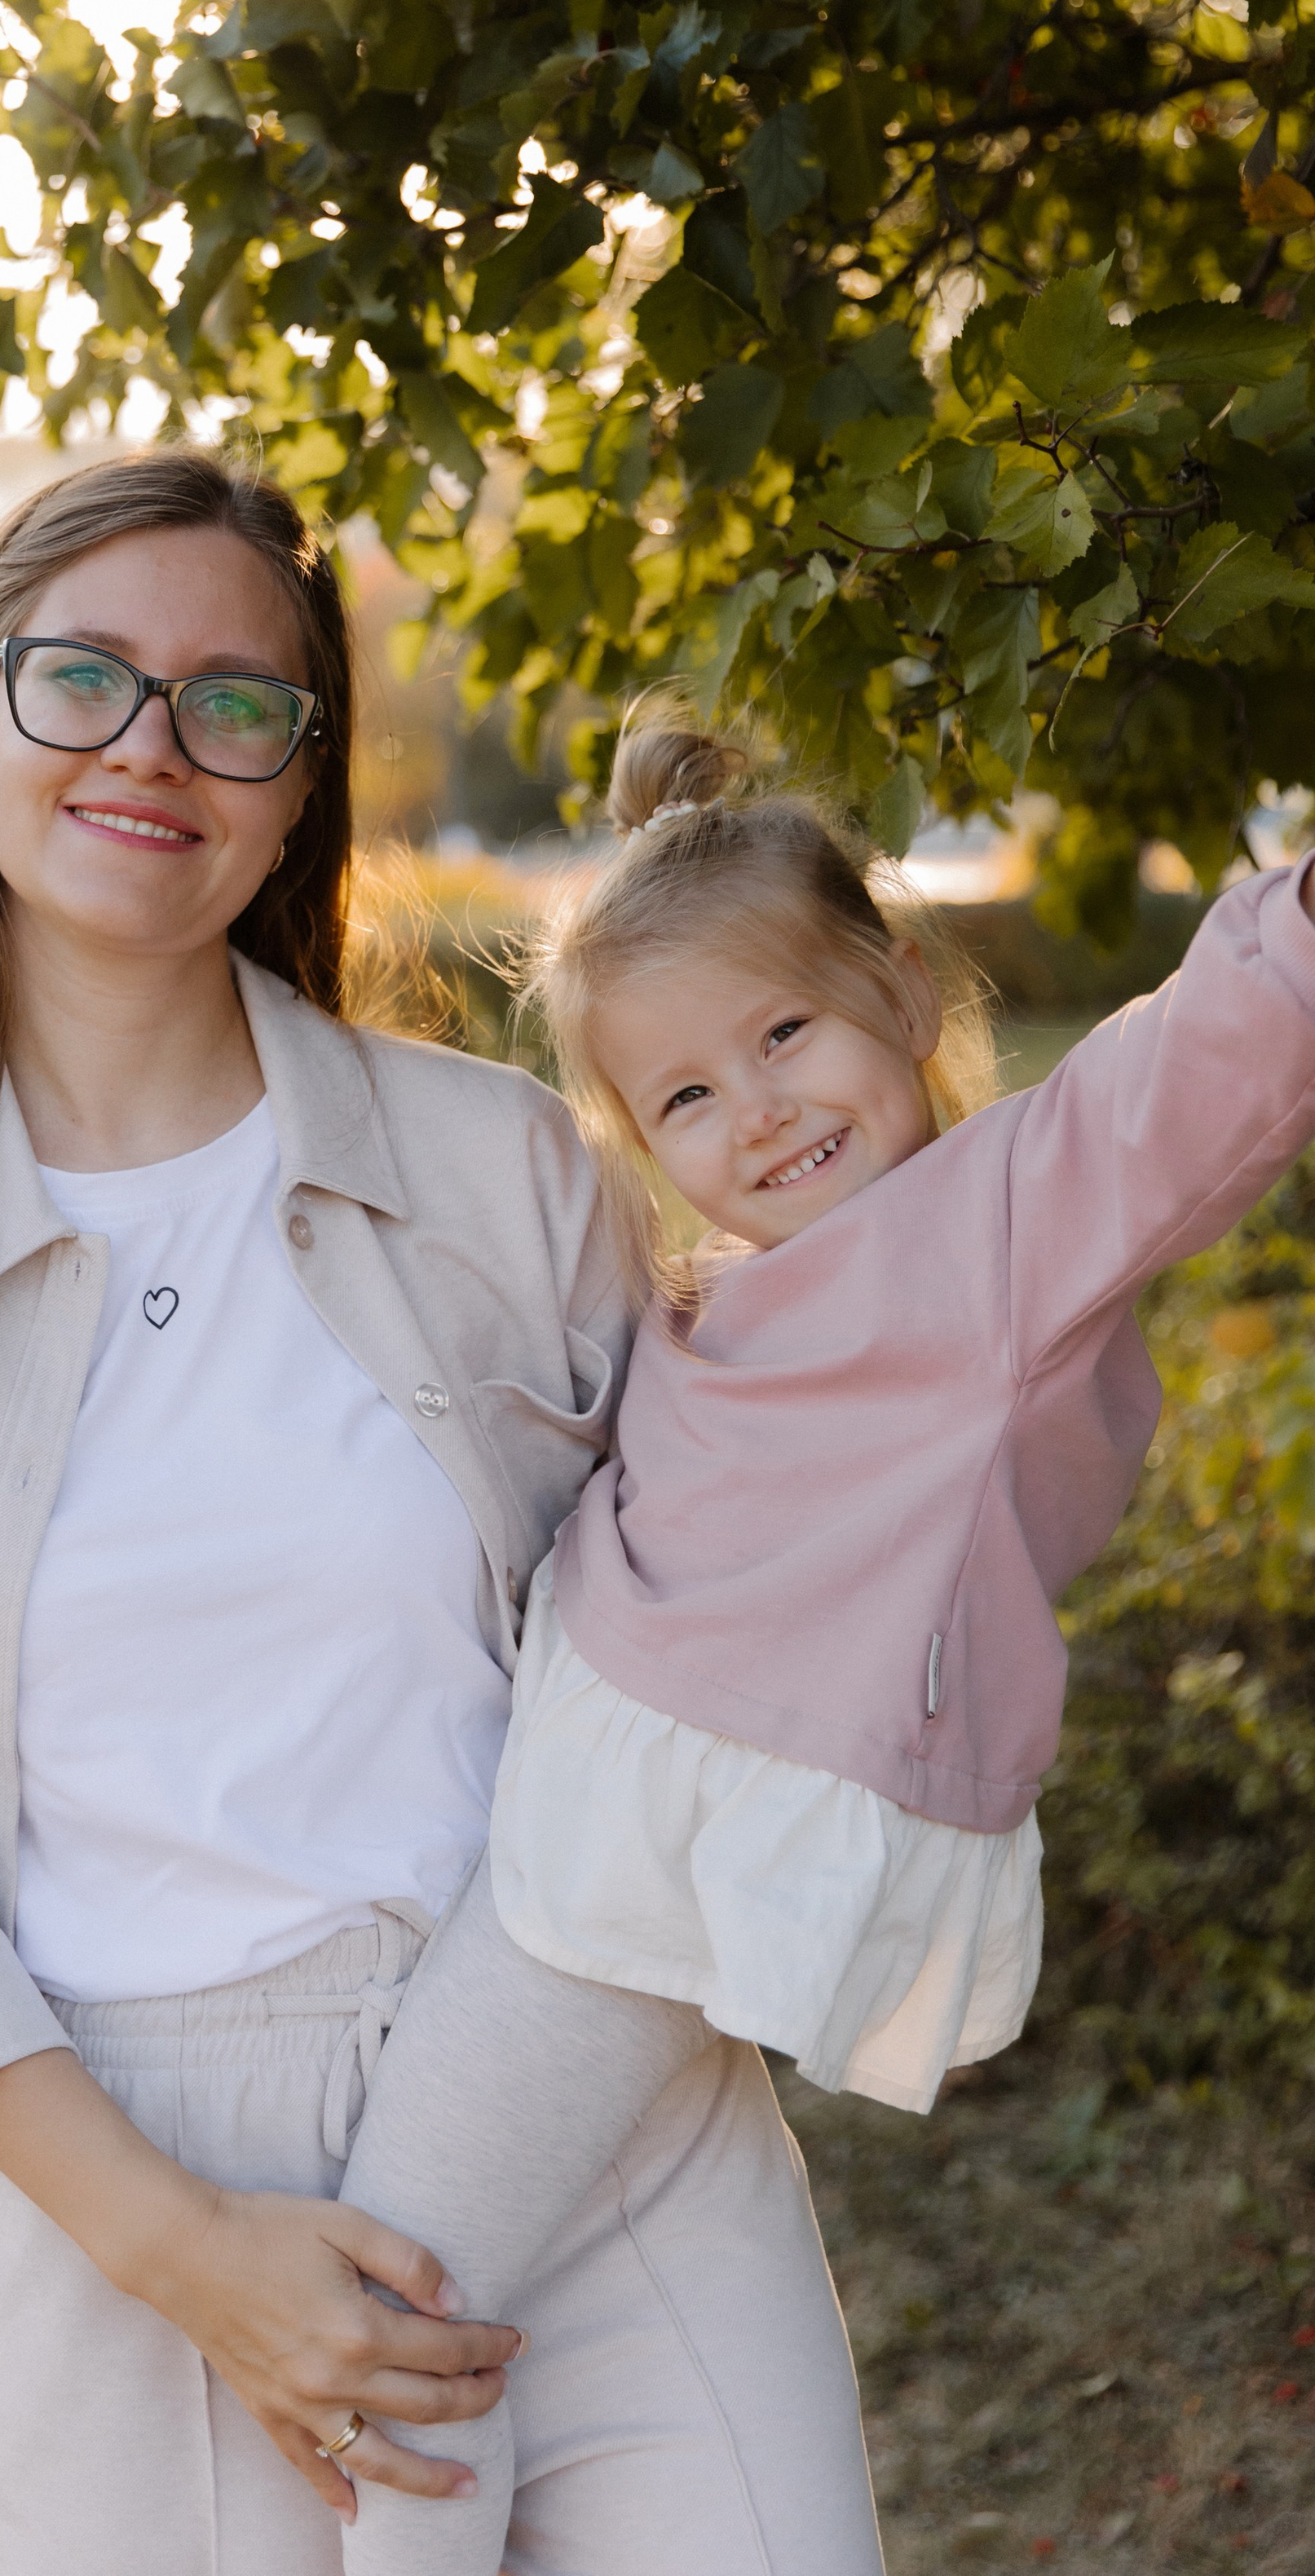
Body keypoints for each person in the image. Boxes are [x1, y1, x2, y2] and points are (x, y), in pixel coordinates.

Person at [0, 460, 885, 2576]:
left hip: (599, 2093)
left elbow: (736, 1567)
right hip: (145, 2185)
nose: (151, 745)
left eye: (235, 701)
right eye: (86, 678)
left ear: (304, 783)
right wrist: (185, 2253)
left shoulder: (506, 1173)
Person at [333, 712, 1315, 2576]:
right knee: (450, 2301)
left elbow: (1186, 1073)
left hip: (625, 1876)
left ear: (902, 982)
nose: (754, 1113)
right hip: (577, 1823)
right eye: (683, 1099)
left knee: (394, 2305)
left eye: (782, 1036)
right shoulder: (737, 1288)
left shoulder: (989, 1235)